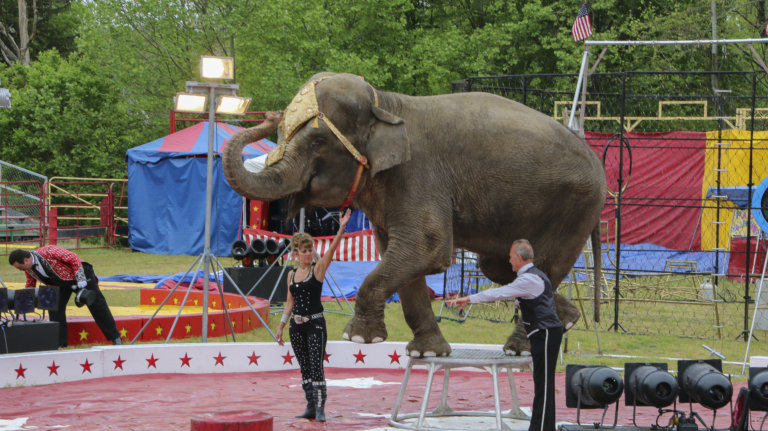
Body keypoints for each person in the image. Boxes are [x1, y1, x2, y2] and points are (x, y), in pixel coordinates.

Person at [446, 239, 562, 431]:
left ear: (519, 257)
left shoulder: (528, 279)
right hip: (543, 332)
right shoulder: (533, 276)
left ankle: (541, 427)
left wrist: (469, 298)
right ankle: (543, 426)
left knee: (544, 384)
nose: (509, 261)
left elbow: (499, 293)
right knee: (542, 383)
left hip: (545, 332)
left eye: (510, 257)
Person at [276, 208, 351, 423]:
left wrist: (341, 228)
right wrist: (281, 325)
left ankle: (320, 407)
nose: (308, 254)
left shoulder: (317, 270)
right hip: (296, 327)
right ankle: (310, 405)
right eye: (304, 251)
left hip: (315, 325)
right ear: (296, 254)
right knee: (304, 367)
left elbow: (330, 252)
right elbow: (290, 302)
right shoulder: (291, 274)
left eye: (310, 250)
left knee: (316, 366)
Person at [8, 246, 122, 347]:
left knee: (96, 303)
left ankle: (115, 337)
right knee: (53, 306)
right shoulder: (28, 269)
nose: (20, 270)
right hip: (61, 282)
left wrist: (81, 279)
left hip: (80, 272)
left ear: (26, 260)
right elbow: (30, 285)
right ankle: (59, 343)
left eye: (20, 267)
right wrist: (22, 304)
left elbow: (73, 257)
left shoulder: (48, 251)